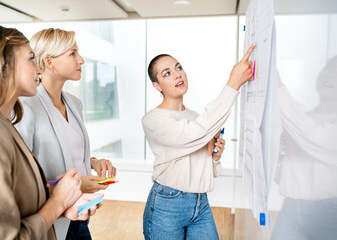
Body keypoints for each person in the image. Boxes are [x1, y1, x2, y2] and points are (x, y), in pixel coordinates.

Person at [0, 25, 102, 240]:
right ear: (3, 66)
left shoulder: (3, 124)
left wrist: (64, 204)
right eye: (31, 59)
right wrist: (58, 201)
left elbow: (21, 198)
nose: (38, 68)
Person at [142, 44, 256, 240]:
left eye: (179, 68)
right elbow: (194, 133)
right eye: (167, 73)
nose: (178, 75)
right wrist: (233, 84)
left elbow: (205, 167)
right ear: (157, 86)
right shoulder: (153, 119)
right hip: (168, 204)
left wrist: (213, 157)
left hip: (200, 201)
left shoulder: (196, 117)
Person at [15, 28, 116, 240]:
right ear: (49, 62)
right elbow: (21, 177)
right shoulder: (26, 107)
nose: (81, 60)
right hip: (50, 218)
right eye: (72, 54)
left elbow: (63, 150)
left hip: (79, 212)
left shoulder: (74, 103)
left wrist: (92, 161)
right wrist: (78, 183)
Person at [271, 56, 337, 240]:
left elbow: (310, 132)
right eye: (329, 67)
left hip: (328, 214)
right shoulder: (302, 121)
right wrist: (277, 158)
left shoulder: (301, 124)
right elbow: (281, 177)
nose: (331, 74)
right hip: (290, 208)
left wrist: (275, 82)